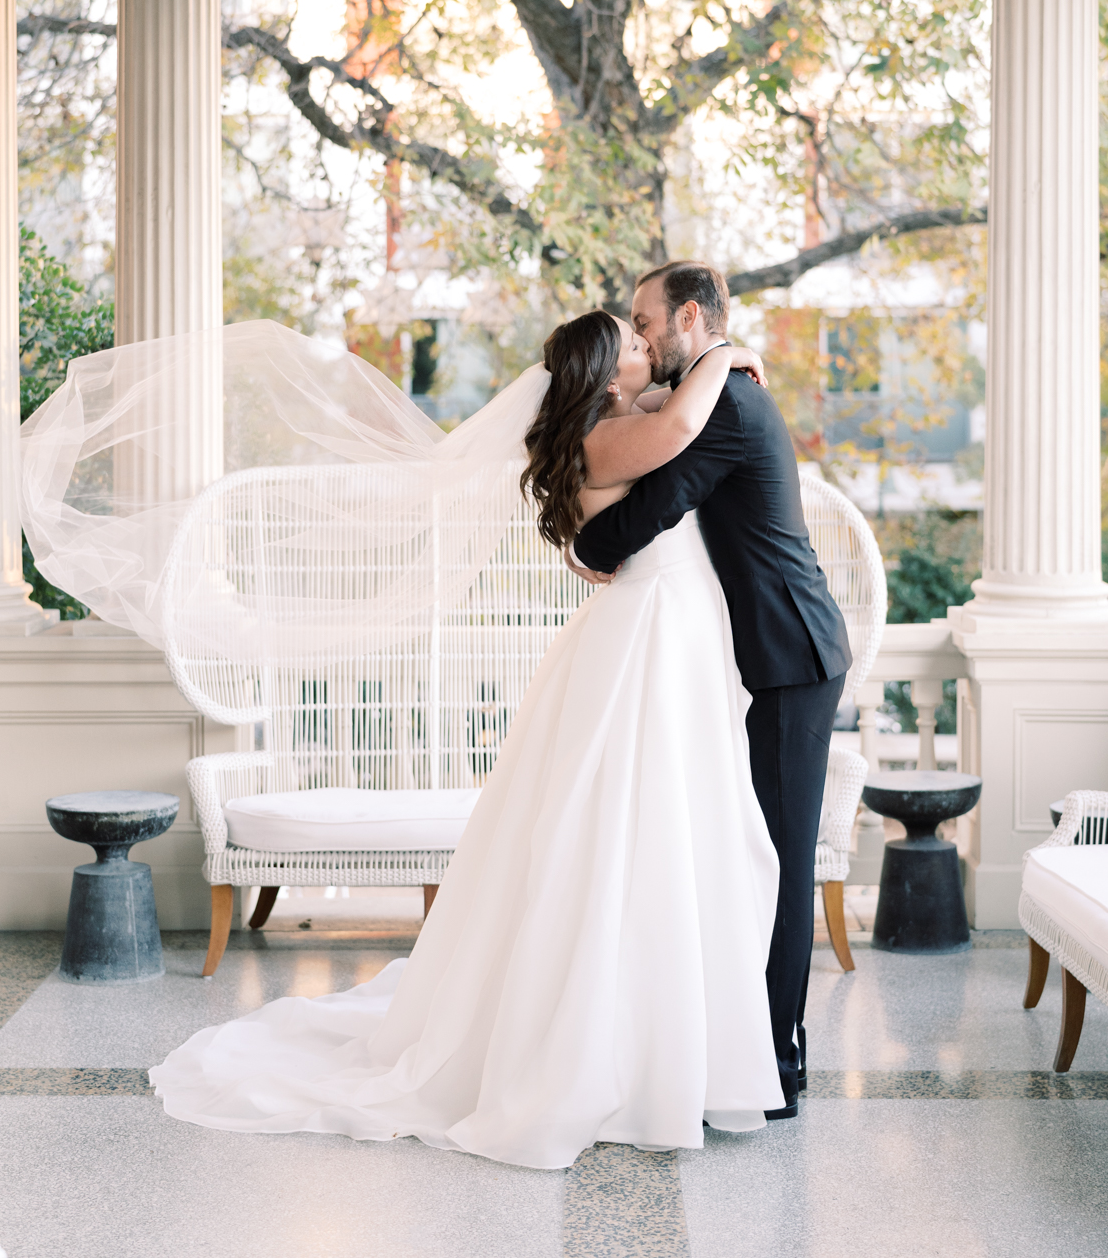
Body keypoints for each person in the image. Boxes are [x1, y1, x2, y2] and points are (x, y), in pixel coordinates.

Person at [149, 312, 787, 1167]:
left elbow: (662, 431)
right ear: (604, 376)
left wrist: (701, 367)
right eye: (634, 346)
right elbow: (678, 424)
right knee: (625, 834)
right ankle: (614, 1054)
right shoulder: (614, 433)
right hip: (648, 636)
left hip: (664, 628)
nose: (647, 349)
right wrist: (727, 353)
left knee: (667, 829)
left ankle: (659, 1039)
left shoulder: (609, 425)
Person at [572, 262, 853, 1119]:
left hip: (793, 656)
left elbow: (648, 509)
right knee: (758, 853)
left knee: (780, 859)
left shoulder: (724, 405)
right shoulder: (713, 389)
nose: (642, 334)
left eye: (646, 320)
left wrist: (586, 542)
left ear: (689, 317)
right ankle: (752, 1045)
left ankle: (777, 1060)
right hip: (773, 655)